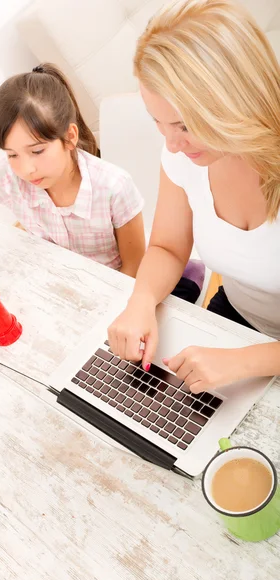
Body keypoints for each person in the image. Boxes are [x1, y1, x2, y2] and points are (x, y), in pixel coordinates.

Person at [108, 0, 280, 392]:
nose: (170, 144)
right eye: (158, 122)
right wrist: (142, 300)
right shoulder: (185, 156)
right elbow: (168, 247)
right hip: (237, 317)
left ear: (235, 102)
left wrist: (242, 362)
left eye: (184, 124)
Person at [0, 64, 145, 277]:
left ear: (70, 137)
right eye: (12, 155)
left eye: (37, 151)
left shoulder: (114, 187)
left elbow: (134, 268)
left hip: (111, 292)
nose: (27, 169)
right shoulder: (11, 178)